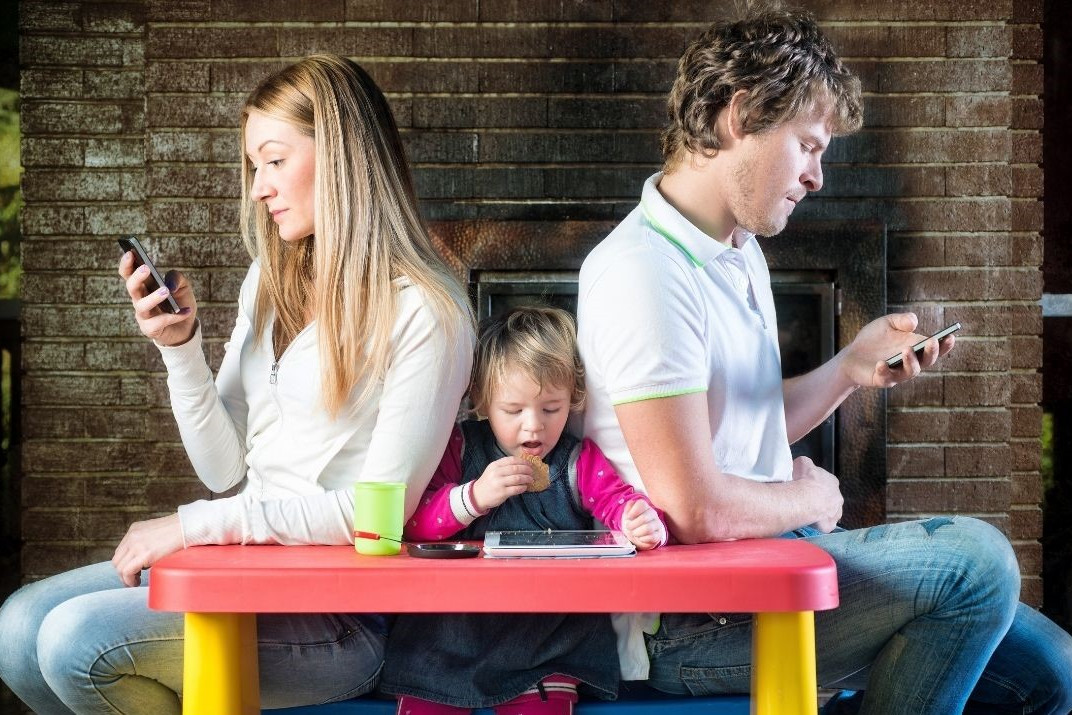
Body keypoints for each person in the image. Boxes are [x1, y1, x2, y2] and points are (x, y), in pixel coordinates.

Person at [576, 8, 1072, 715]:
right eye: (807, 145)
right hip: (690, 622)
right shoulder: (643, 272)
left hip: (770, 563)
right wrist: (813, 497)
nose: (816, 177)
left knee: (1052, 671)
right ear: (737, 115)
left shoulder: (735, 250)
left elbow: (743, 421)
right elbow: (694, 507)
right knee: (979, 564)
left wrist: (847, 369)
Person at [0, 54, 474, 714]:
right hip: (243, 571)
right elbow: (223, 467)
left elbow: (378, 520)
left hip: (337, 619)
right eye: (255, 166)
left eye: (275, 160)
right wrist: (181, 350)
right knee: (18, 627)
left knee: (78, 643)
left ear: (341, 158)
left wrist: (194, 528)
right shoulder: (270, 284)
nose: (258, 187)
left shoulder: (427, 310)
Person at [380, 306, 668, 715]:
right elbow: (415, 524)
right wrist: (473, 496)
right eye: (513, 411)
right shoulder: (460, 448)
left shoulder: (575, 460)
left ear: (573, 399)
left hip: (549, 639)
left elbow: (616, 498)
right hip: (450, 635)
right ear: (481, 401)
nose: (533, 427)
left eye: (551, 409)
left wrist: (637, 518)